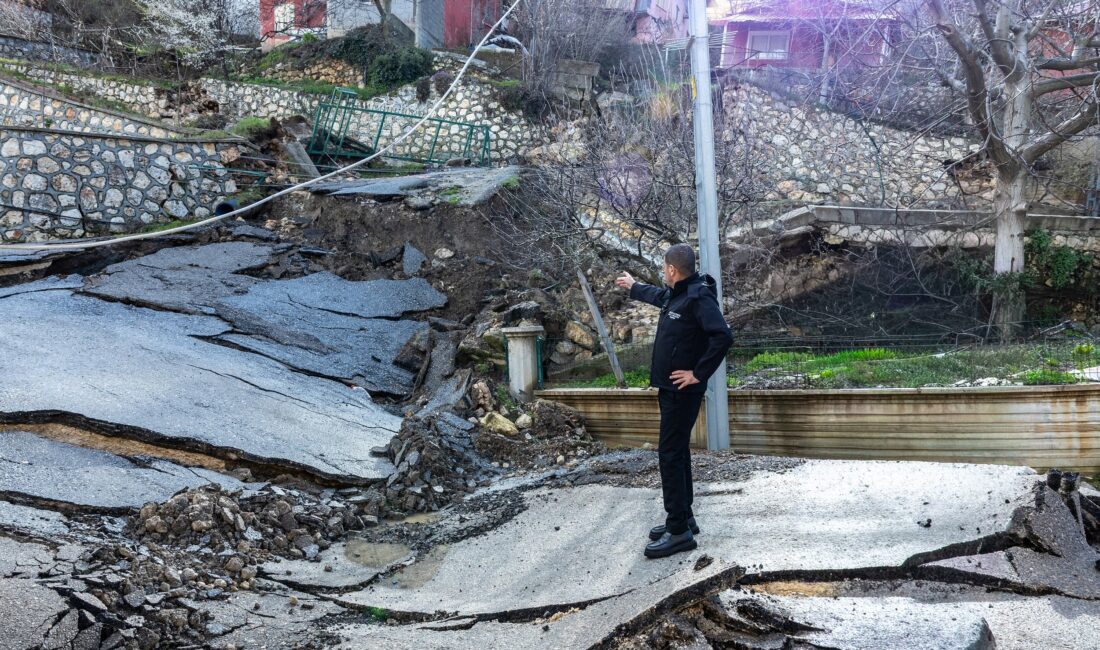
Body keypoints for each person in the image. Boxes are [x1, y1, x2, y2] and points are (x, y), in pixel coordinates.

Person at [615, 244, 733, 559]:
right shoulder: (679, 292)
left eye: (663, 267)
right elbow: (658, 297)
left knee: (669, 454)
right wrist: (634, 287)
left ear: (671, 269)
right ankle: (685, 518)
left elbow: (723, 336)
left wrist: (698, 373)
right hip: (670, 390)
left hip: (683, 391)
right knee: (677, 452)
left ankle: (678, 530)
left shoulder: (698, 297)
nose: (662, 272)